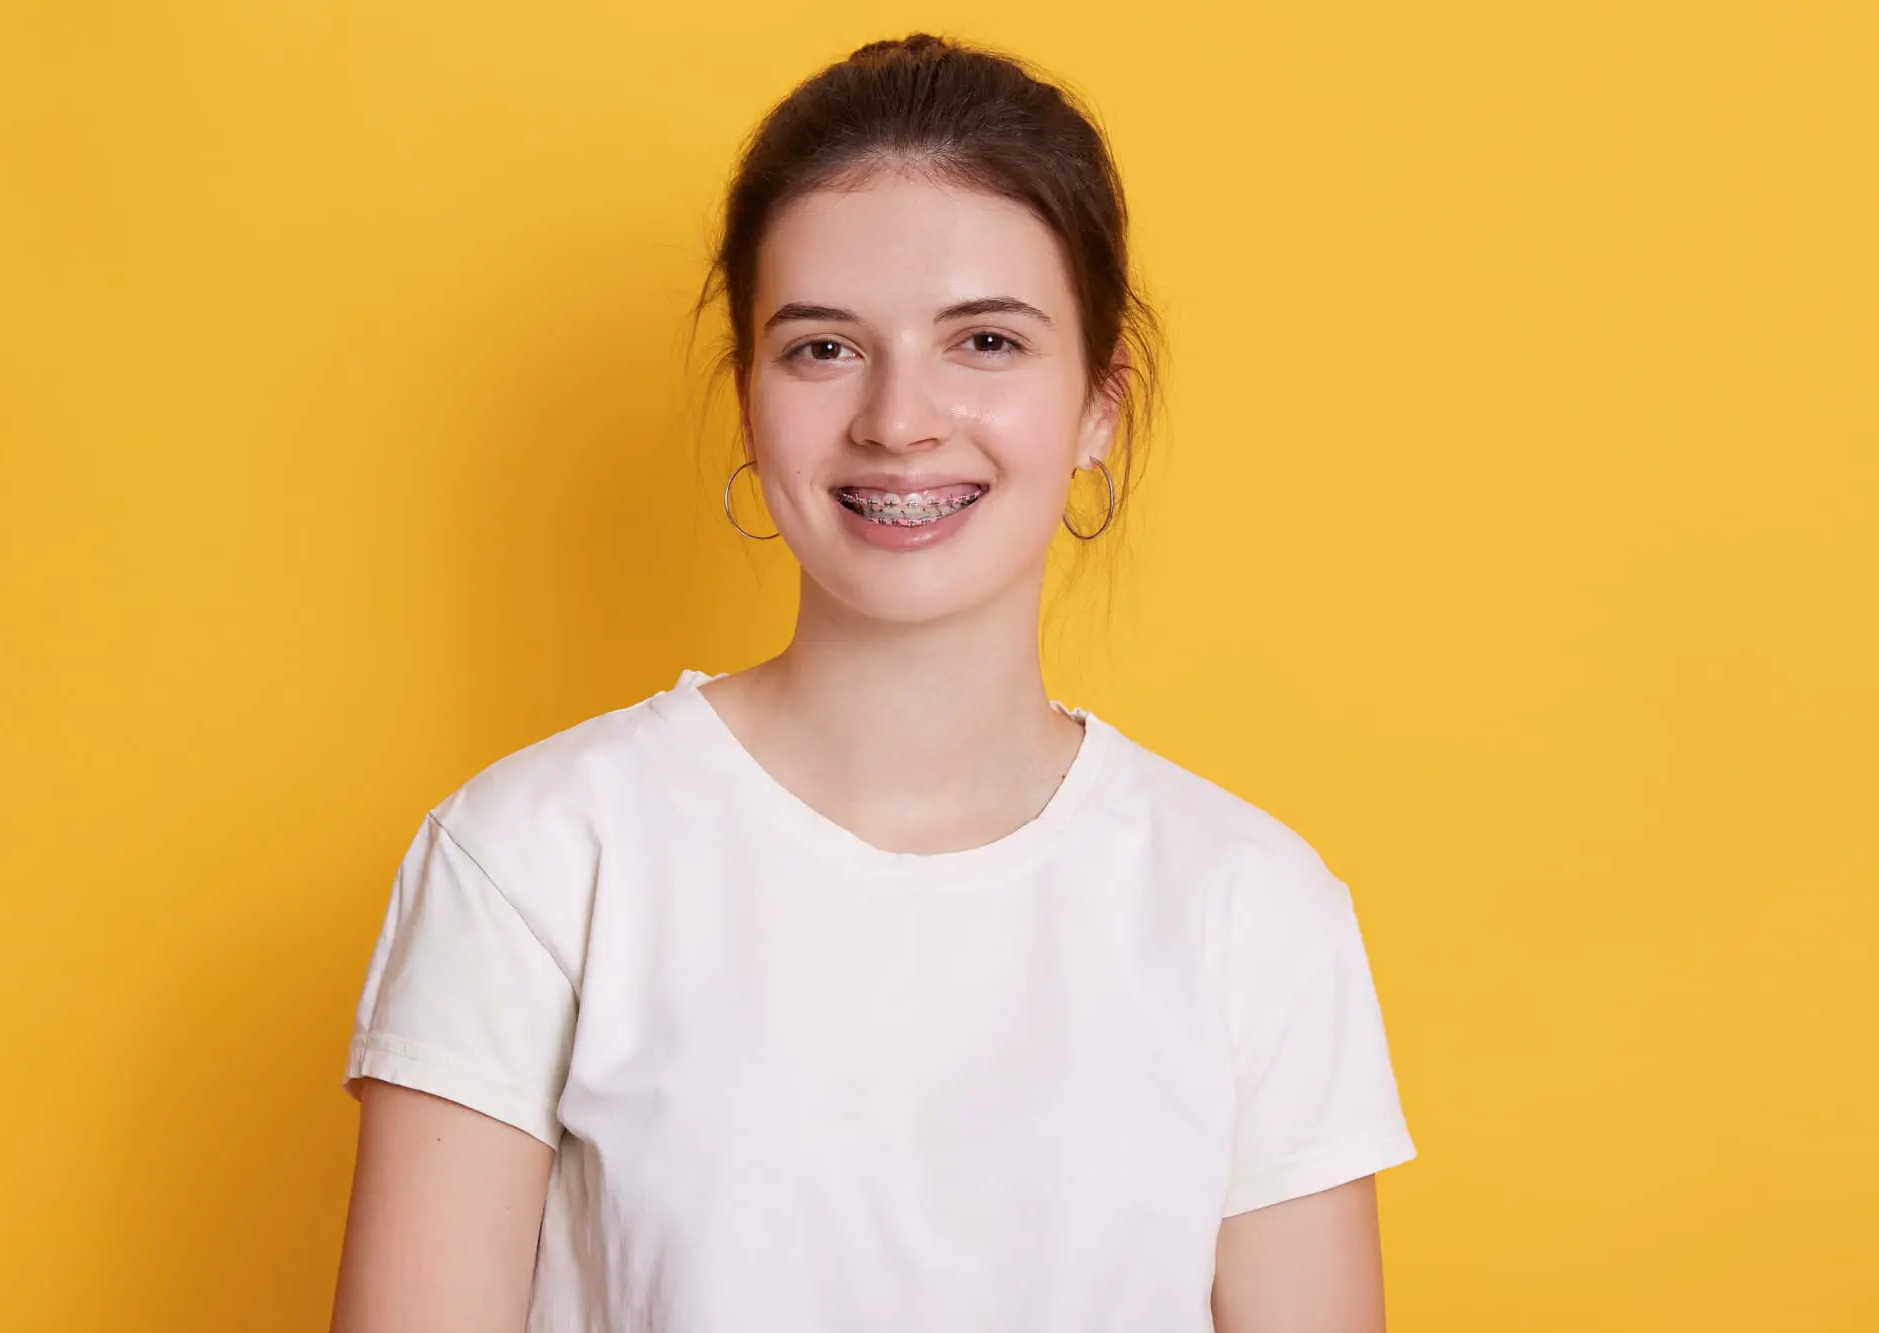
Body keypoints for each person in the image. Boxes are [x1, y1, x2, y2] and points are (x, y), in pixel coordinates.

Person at [329, 33, 1415, 1333]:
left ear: (1098, 405)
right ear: (750, 399)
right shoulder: (535, 861)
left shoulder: (1252, 912)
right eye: (825, 349)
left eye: (988, 343)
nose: (900, 420)